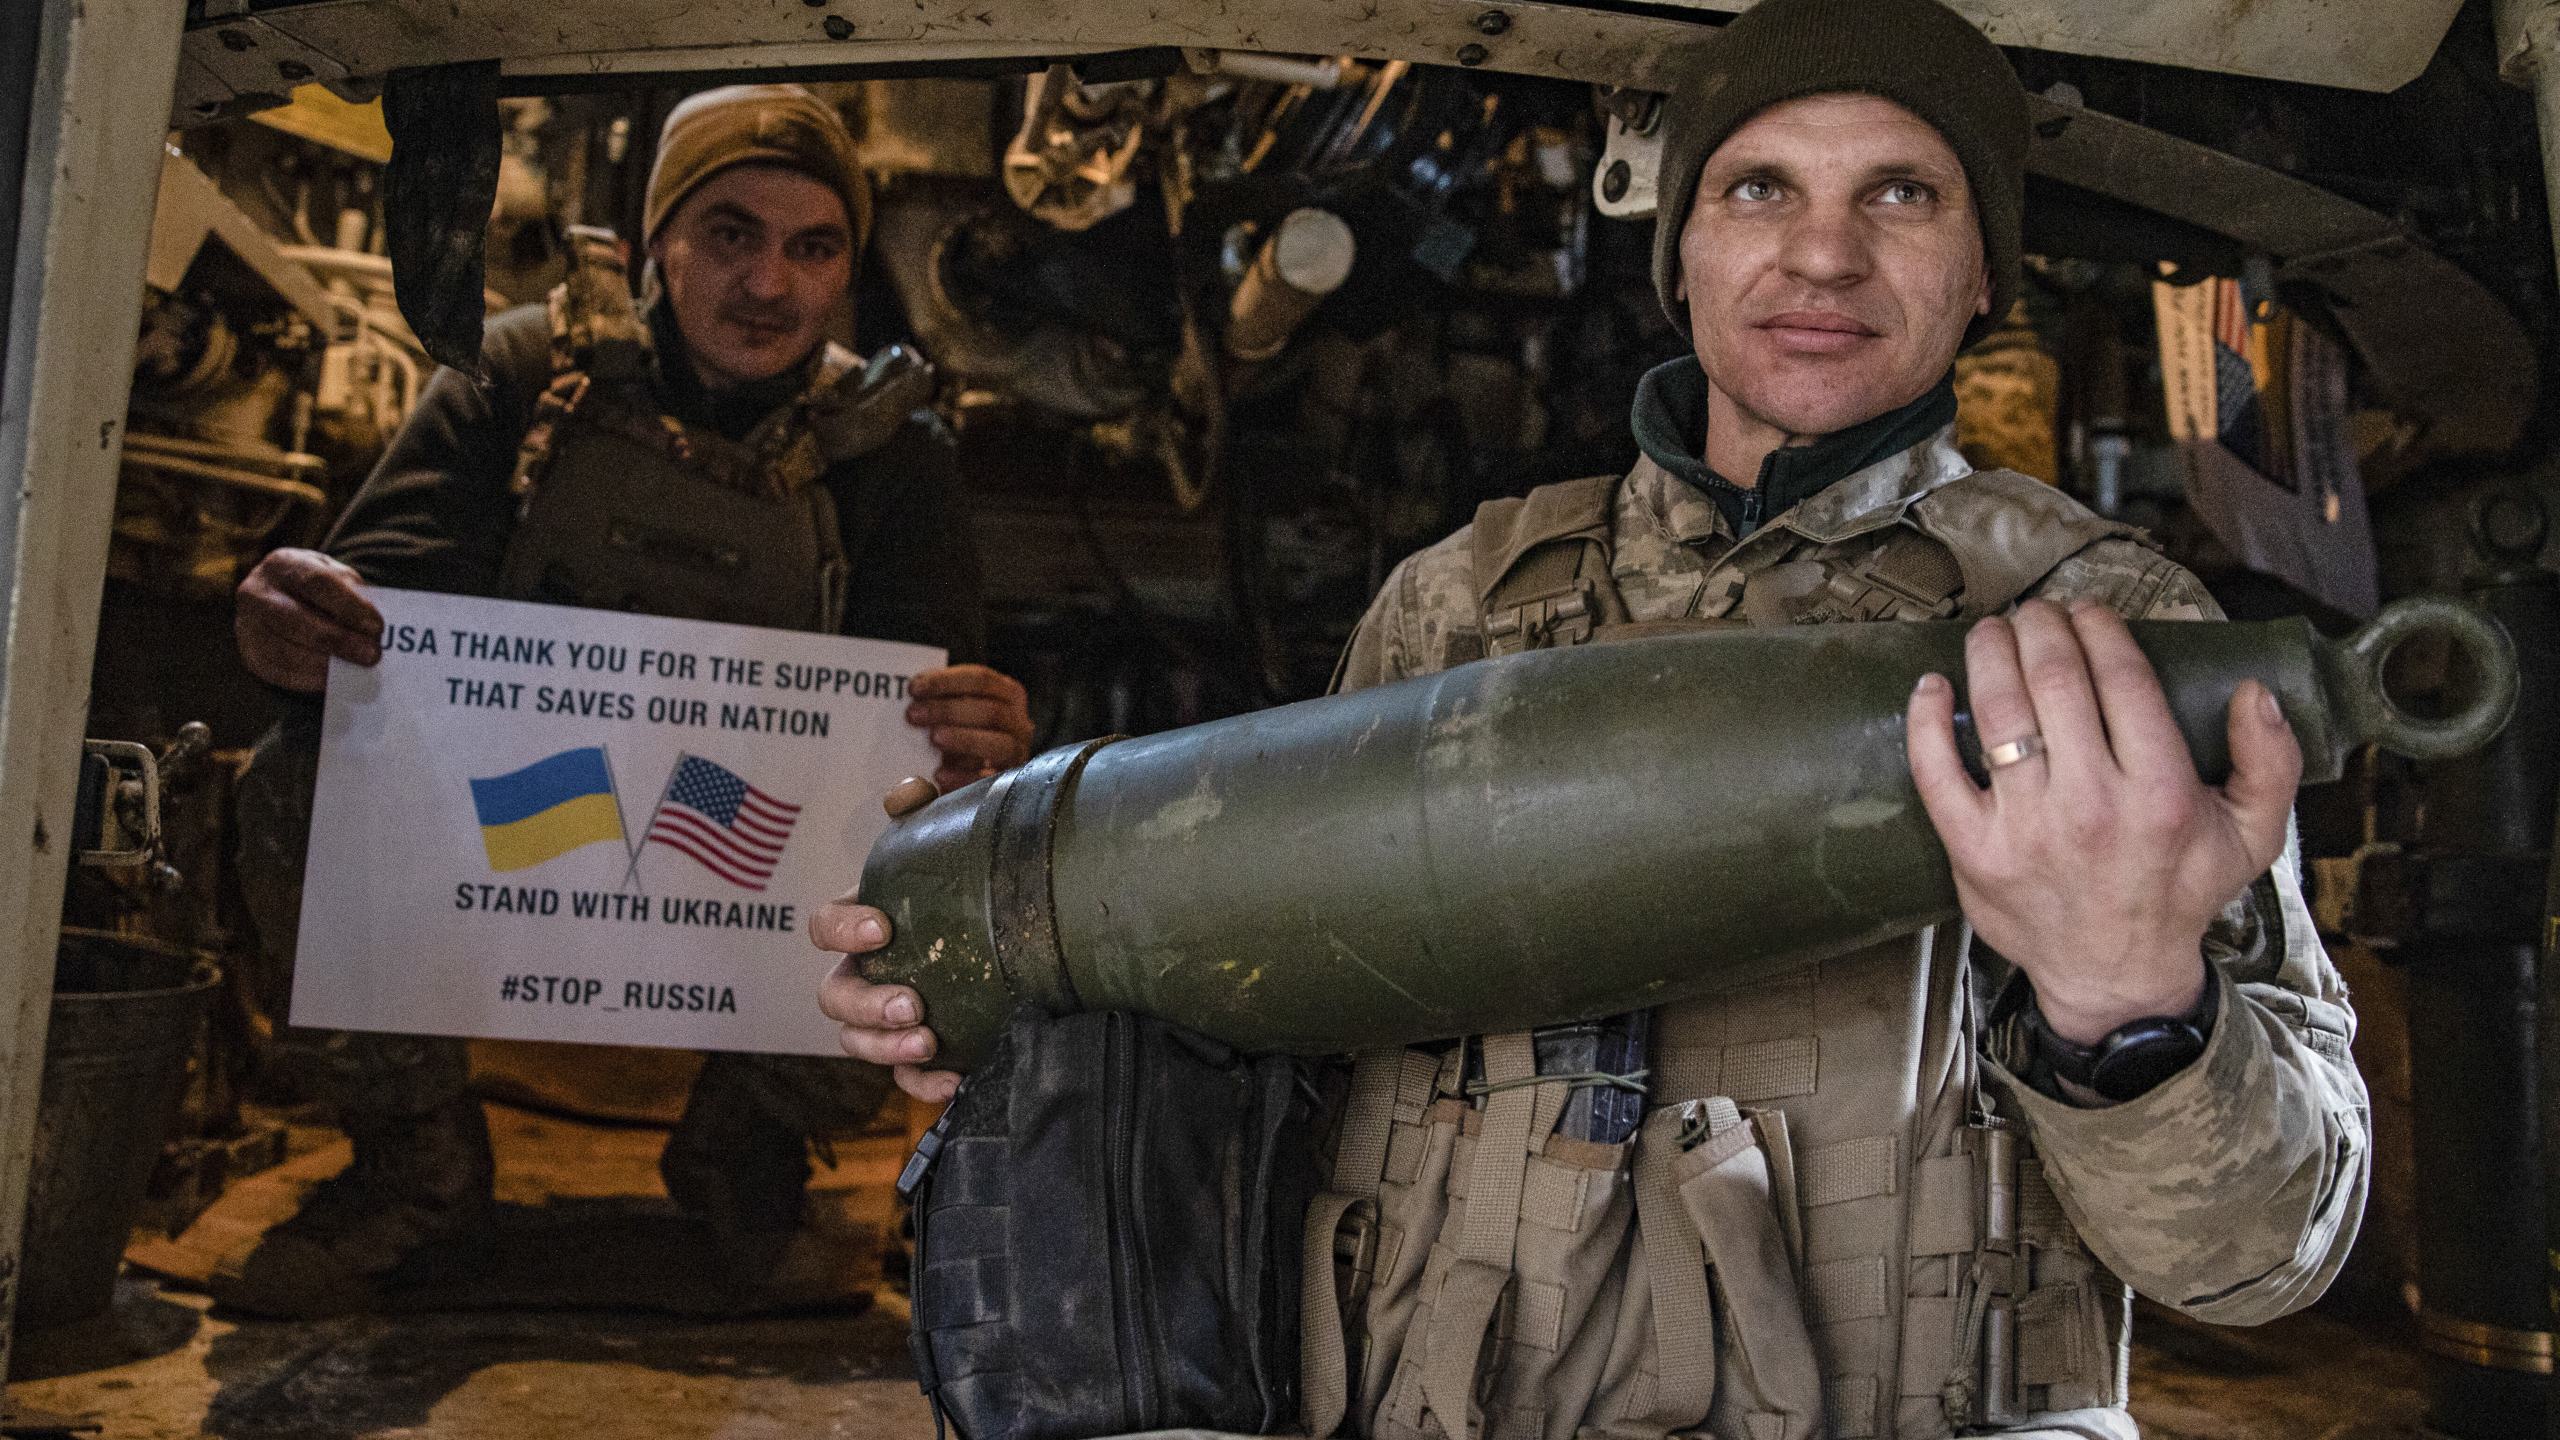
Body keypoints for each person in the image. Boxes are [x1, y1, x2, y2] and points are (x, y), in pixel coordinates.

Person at [817, 3, 2368, 1434]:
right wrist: (1033, 974)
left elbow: (2264, 1258)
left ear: (1982, 271)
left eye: (1902, 194)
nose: (1822, 256)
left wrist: (2129, 1016)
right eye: (1759, 188)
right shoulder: (1458, 605)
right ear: (1678, 246)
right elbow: (1258, 1035)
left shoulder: (2104, 647)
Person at [218, 84, 1035, 1318]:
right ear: (656, 238)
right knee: (299, 778)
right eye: (729, 233)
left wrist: (984, 746)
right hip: (525, 822)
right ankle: (416, 1165)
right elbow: (371, 625)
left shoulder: (893, 451)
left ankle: (744, 1155)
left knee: (943, 856)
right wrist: (287, 626)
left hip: (736, 847)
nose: (769, 283)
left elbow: (925, 730)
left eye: (813, 248)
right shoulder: (516, 374)